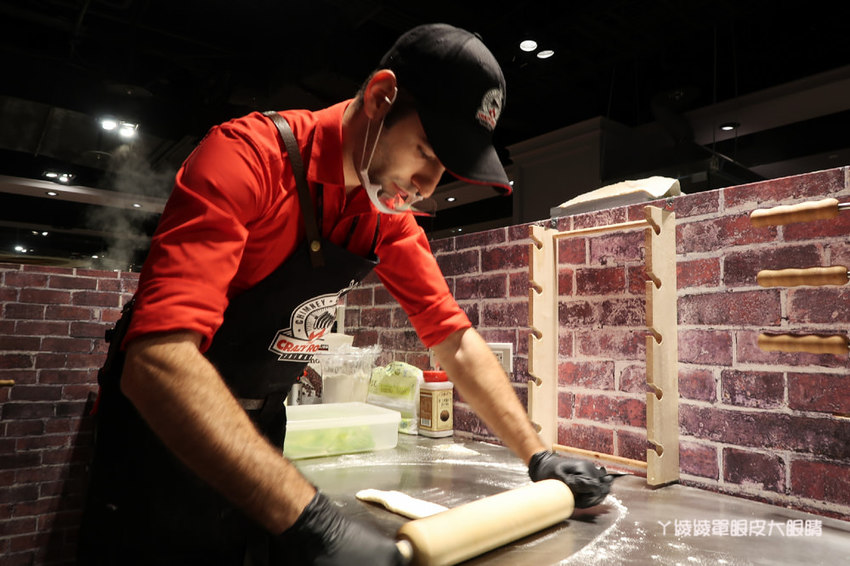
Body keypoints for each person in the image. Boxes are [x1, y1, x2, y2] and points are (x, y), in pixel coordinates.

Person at [77, 23, 612, 566]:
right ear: (380, 98)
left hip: (259, 430)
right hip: (159, 437)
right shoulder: (246, 158)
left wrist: (538, 456)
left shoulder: (386, 218)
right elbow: (158, 362)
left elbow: (454, 339)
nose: (428, 185)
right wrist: (316, 522)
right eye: (426, 151)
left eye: (444, 169)